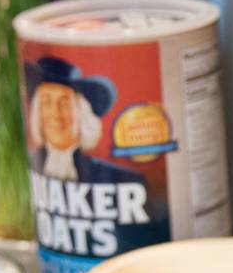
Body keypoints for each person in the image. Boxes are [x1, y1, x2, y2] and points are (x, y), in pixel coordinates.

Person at [24, 57, 144, 187]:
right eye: (46, 102)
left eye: (64, 103)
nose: (55, 113)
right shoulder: (26, 165)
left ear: (82, 112)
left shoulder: (121, 179)